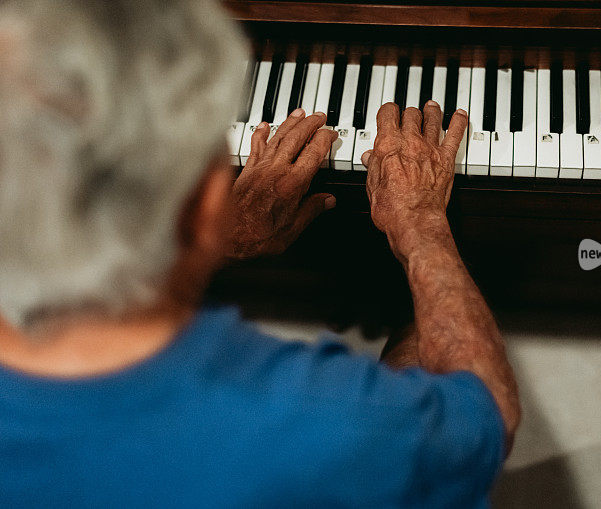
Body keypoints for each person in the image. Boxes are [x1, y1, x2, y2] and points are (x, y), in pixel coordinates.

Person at [0, 0, 520, 506]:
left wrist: (226, 238)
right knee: (420, 329)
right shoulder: (330, 418)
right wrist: (421, 226)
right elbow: (489, 413)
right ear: (206, 204)